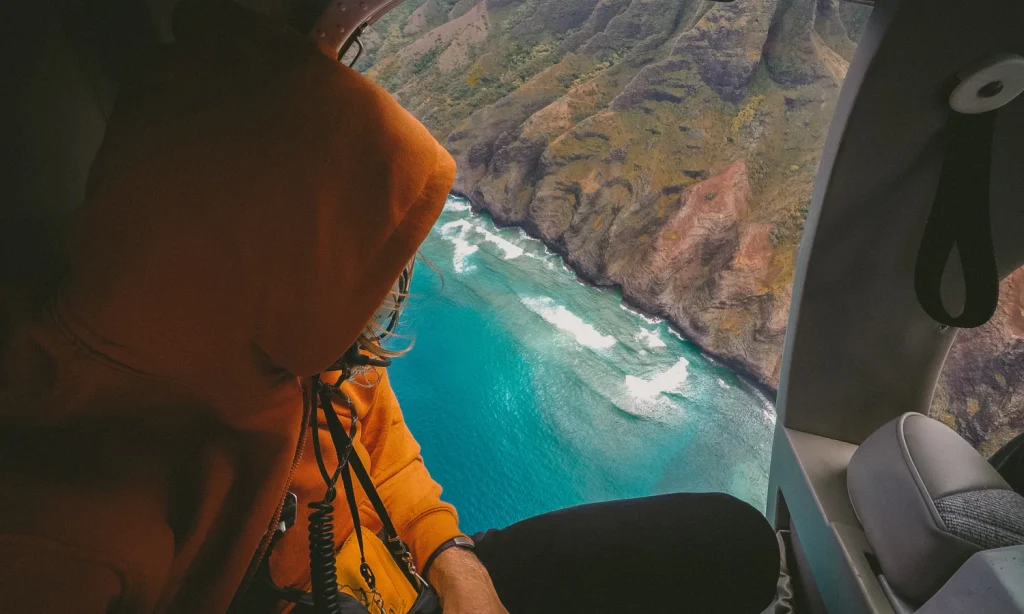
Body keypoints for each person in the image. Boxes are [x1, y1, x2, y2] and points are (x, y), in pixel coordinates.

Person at [0, 1, 780, 612]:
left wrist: (455, 560)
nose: (375, 302)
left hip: (401, 568)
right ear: (275, 249)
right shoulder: (67, 521)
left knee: (731, 540)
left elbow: (379, 434)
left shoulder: (286, 350)